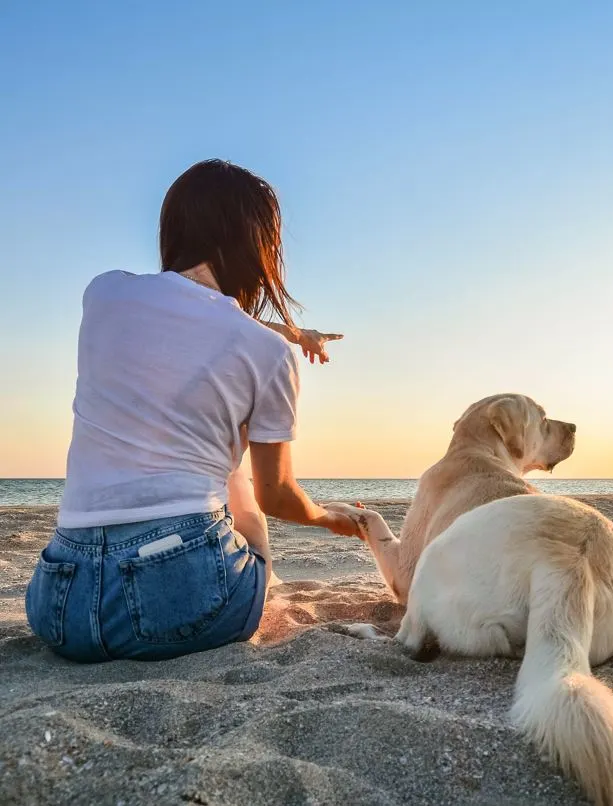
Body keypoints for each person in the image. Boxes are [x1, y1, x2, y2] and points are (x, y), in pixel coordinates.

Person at [25, 159, 361, 662]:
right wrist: (322, 516)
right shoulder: (268, 354)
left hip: (58, 603)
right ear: (259, 245)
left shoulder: (103, 294)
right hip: (177, 598)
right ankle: (263, 582)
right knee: (234, 469)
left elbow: (191, 316)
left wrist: (292, 332)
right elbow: (277, 496)